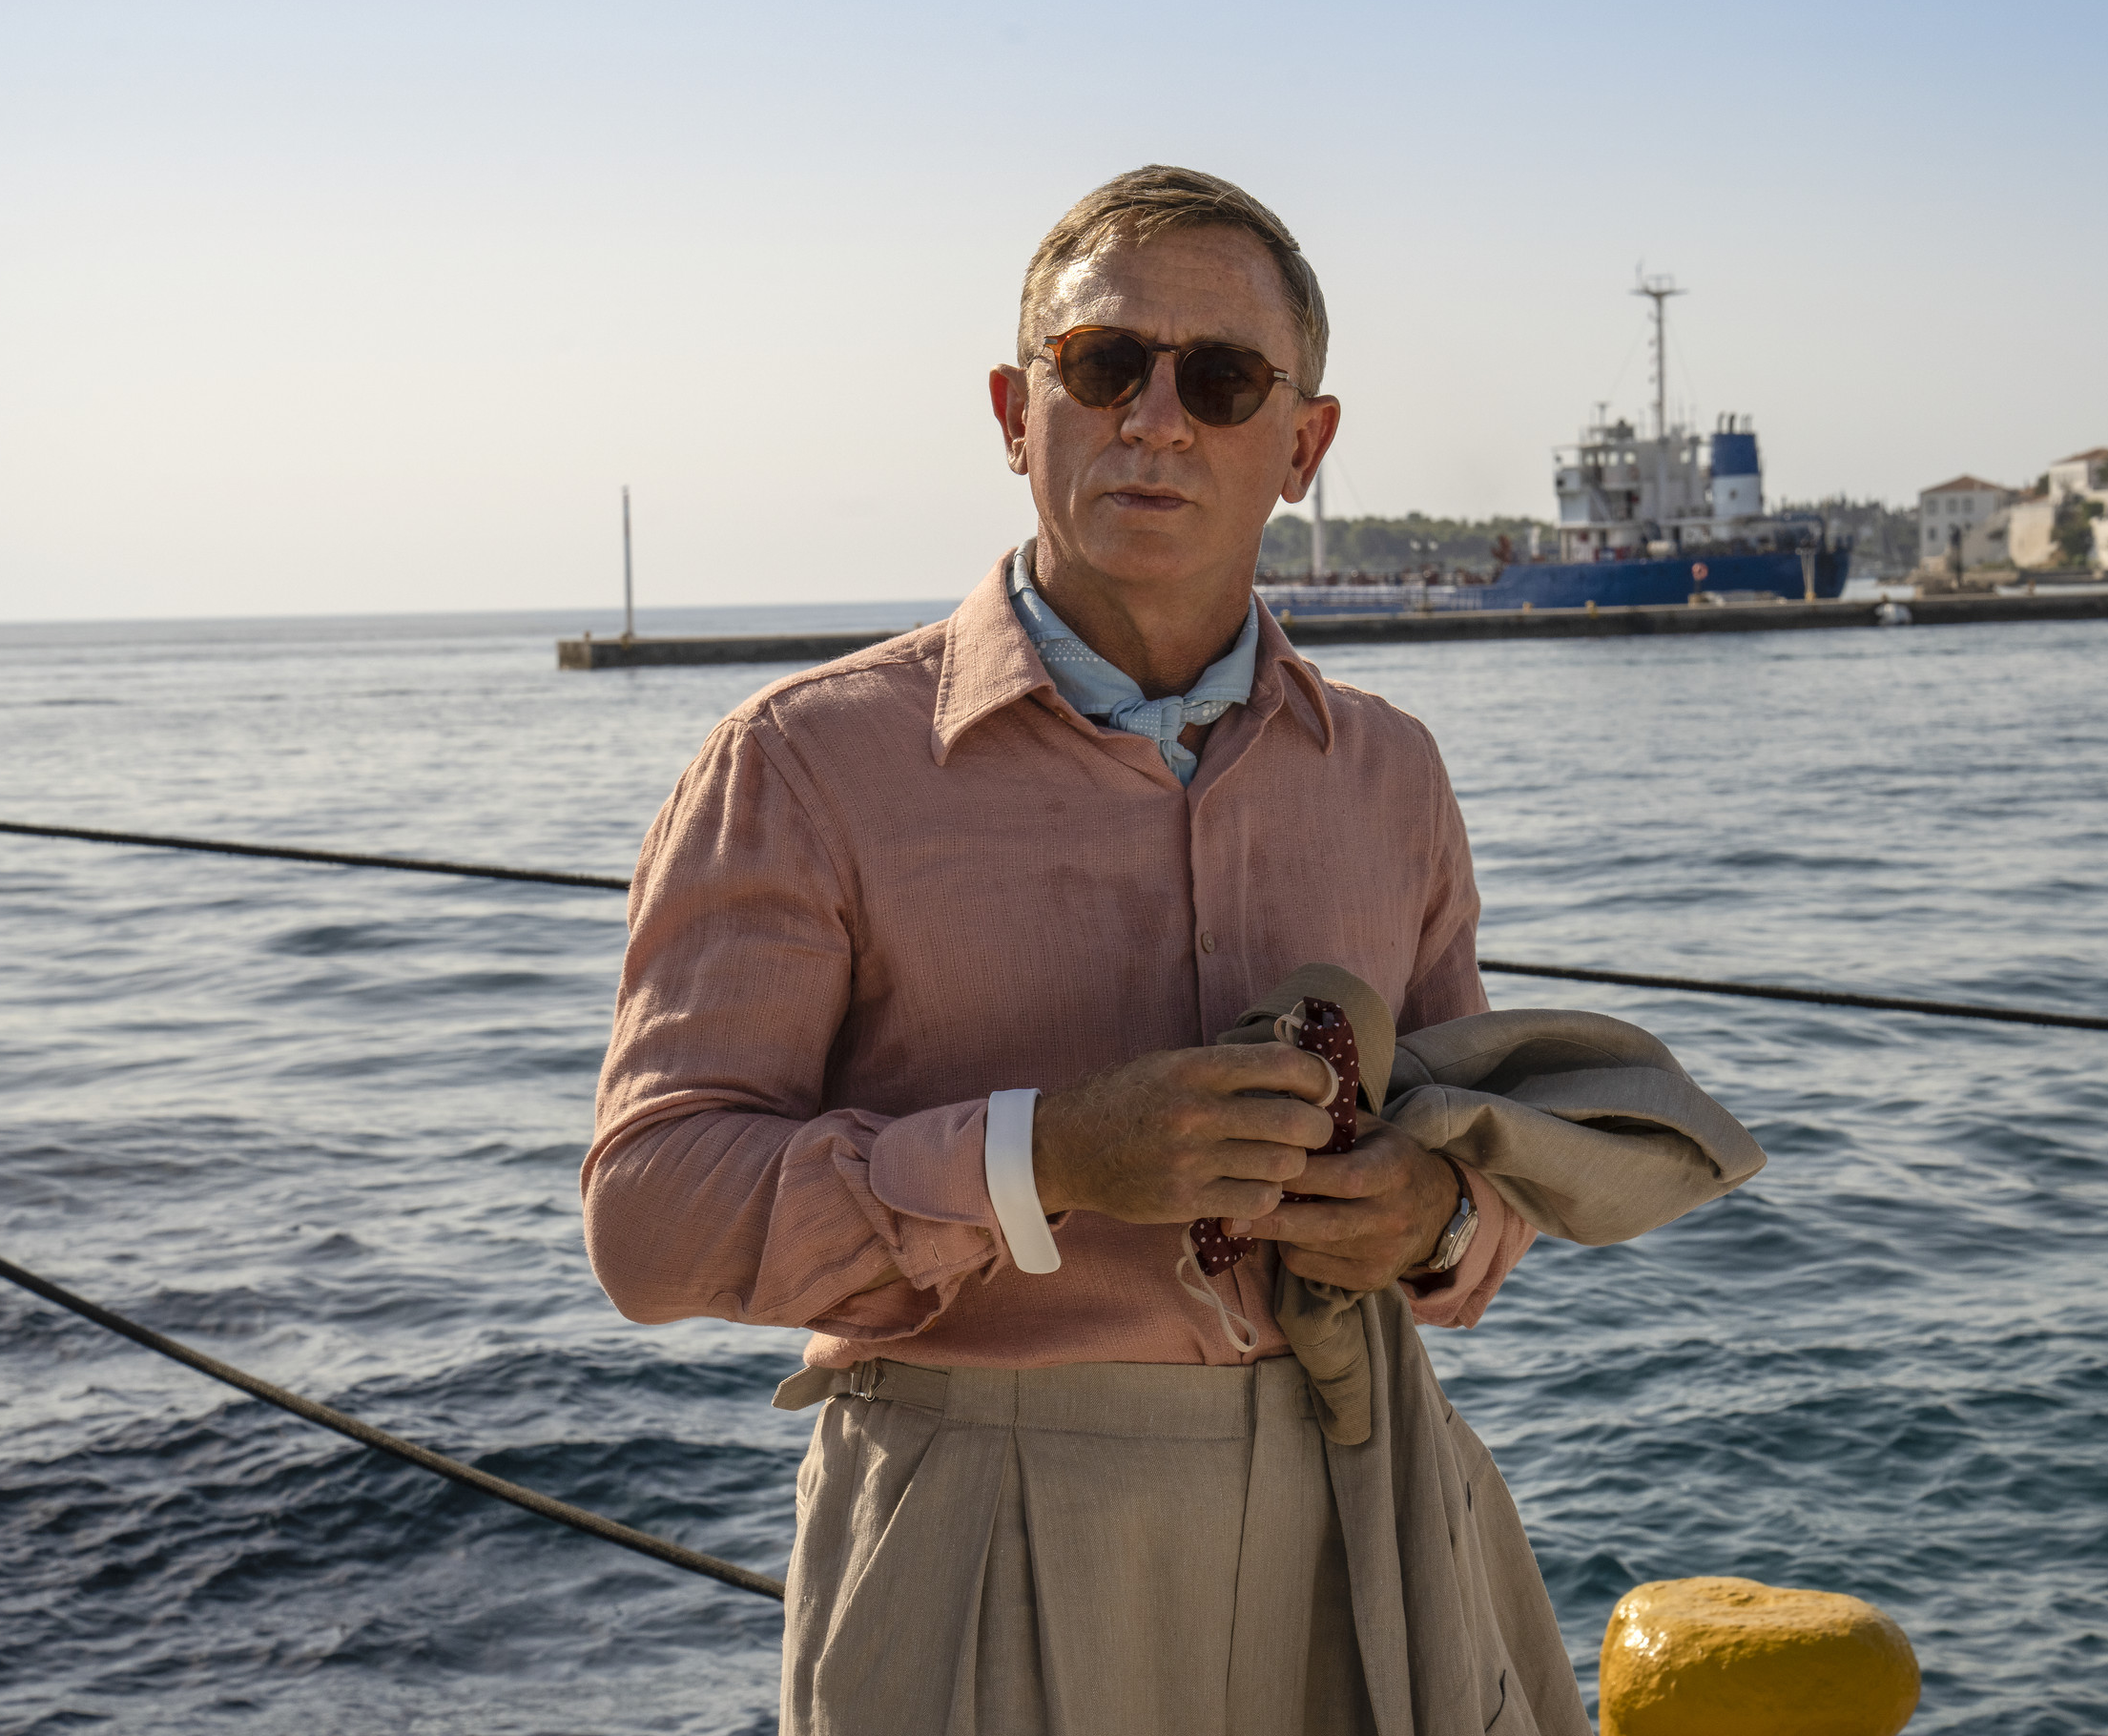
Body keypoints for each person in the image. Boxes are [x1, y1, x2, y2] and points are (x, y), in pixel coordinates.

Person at [585, 165, 1584, 1735]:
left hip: (1376, 1511)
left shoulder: (1392, 776)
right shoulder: (798, 764)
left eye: (1224, 379)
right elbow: (649, 1225)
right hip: (982, 1523)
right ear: (1013, 409)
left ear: (1305, 445)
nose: (1157, 420)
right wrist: (1041, 1157)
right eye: (1104, 366)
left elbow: (1483, 1186)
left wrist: (1433, 1224)